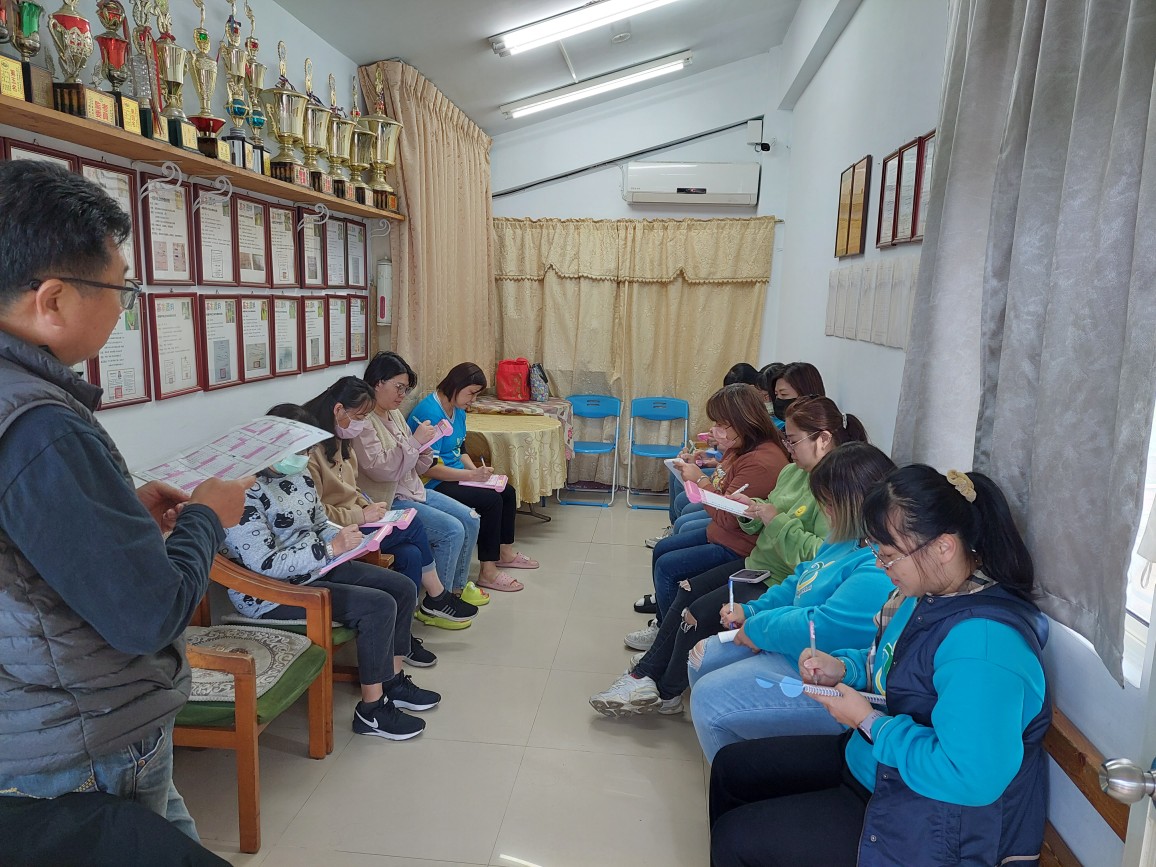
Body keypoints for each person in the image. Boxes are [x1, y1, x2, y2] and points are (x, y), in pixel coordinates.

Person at [0, 160, 250, 840]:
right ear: (53, 300)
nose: (123, 307)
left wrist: (117, 513)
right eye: (121, 289)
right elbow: (147, 615)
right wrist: (208, 518)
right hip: (84, 740)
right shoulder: (41, 426)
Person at [708, 466, 1050, 867]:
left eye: (888, 556)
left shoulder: (984, 645)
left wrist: (867, 721)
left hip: (934, 823)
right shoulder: (927, 596)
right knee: (732, 769)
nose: (881, 566)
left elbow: (969, 777)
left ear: (943, 547)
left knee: (736, 839)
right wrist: (844, 669)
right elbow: (894, 664)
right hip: (880, 765)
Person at [596, 396, 863, 716]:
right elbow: (764, 516)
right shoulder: (793, 472)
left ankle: (660, 687)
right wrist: (752, 511)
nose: (789, 448)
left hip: (776, 576)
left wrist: (774, 520)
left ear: (823, 439)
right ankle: (650, 671)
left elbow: (816, 558)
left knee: (695, 610)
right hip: (758, 563)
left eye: (793, 441)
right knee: (687, 589)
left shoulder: (834, 491)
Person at [221, 403, 441, 741]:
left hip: (318, 567)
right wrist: (329, 550)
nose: (304, 457)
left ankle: (392, 682)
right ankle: (371, 711)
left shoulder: (299, 474)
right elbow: (263, 564)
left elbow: (319, 523)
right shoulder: (242, 492)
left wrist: (349, 540)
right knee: (378, 606)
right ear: (271, 445)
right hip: (270, 592)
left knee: (401, 587)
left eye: (307, 449)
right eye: (298, 450)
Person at [686, 441, 896, 761]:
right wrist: (751, 610)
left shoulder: (878, 566)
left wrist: (757, 627)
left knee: (708, 697)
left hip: (824, 668)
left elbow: (821, 628)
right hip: (795, 645)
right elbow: (801, 579)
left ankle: (737, 773)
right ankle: (737, 756)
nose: (824, 512)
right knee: (701, 659)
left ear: (855, 504)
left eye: (828, 504)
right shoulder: (845, 538)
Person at [304, 377, 477, 634]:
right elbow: (317, 513)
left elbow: (353, 488)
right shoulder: (310, 454)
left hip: (373, 507)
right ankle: (437, 596)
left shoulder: (343, 439)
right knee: (417, 524)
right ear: (339, 410)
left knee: (411, 553)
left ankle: (403, 637)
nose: (362, 424)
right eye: (359, 417)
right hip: (341, 528)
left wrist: (368, 506)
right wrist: (361, 514)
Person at [626, 384, 789, 652]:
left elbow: (728, 516)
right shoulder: (742, 447)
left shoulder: (761, 461)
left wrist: (700, 480)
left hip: (739, 544)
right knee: (663, 549)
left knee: (668, 565)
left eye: (722, 424)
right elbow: (724, 484)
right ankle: (664, 623)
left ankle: (666, 640)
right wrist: (706, 462)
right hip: (724, 533)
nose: (715, 430)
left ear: (743, 421)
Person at [355, 351, 488, 609]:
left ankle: (456, 589)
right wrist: (415, 443)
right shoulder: (364, 421)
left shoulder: (393, 414)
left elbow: (417, 465)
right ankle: (438, 602)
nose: (402, 395)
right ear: (378, 383)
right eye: (399, 388)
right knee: (452, 530)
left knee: (471, 518)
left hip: (412, 489)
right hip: (388, 500)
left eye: (405, 389)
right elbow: (381, 470)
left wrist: (426, 447)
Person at [408, 362, 537, 593]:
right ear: (456, 386)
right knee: (490, 501)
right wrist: (471, 475)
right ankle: (488, 572)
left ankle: (504, 553)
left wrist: (480, 474)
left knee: (506, 491)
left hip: (456, 474)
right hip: (433, 483)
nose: (473, 400)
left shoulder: (457, 409)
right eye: (471, 393)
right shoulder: (430, 413)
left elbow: (461, 448)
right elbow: (428, 469)